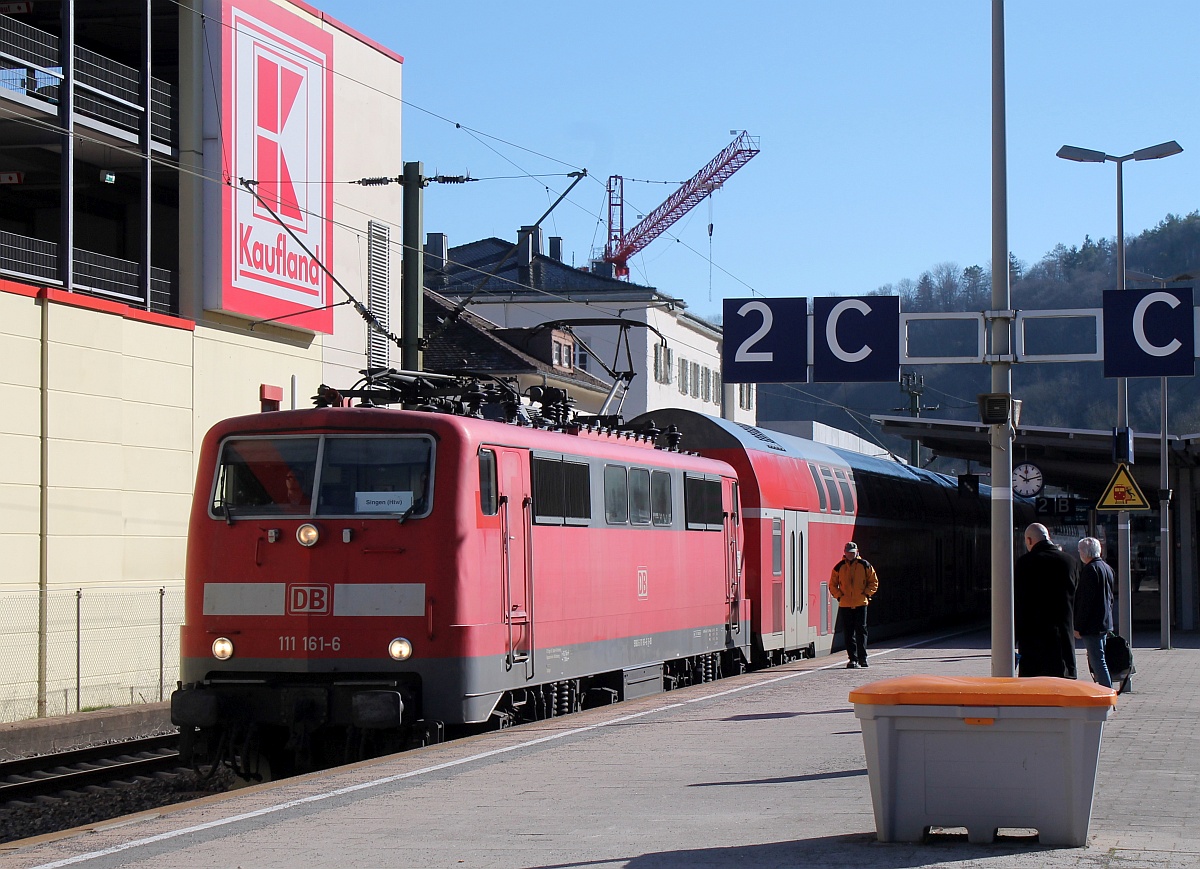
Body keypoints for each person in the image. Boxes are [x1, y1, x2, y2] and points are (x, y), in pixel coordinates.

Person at [1014, 523, 1078, 678]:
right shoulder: (1069, 562)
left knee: (1034, 689)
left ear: (1029, 540)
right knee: (1062, 684)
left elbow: (1017, 603)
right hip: (1062, 639)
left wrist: (1013, 639)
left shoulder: (1025, 563)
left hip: (1032, 642)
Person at [830, 541, 879, 669]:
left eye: (852, 553)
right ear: (845, 553)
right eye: (848, 553)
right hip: (845, 604)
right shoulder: (839, 567)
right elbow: (832, 584)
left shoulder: (865, 565)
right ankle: (852, 659)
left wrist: (866, 594)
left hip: (861, 603)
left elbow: (873, 581)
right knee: (849, 632)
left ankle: (862, 658)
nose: (850, 555)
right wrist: (840, 596)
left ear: (856, 552)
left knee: (861, 630)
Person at [1074, 537, 1115, 688]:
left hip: (1092, 625)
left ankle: (1106, 694)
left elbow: (1085, 602)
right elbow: (1110, 598)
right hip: (1104, 622)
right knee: (1100, 659)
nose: (1079, 553)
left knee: (1097, 661)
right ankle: (1104, 690)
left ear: (1085, 553)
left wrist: (1079, 626)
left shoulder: (1090, 570)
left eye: (1079, 551)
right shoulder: (1106, 568)